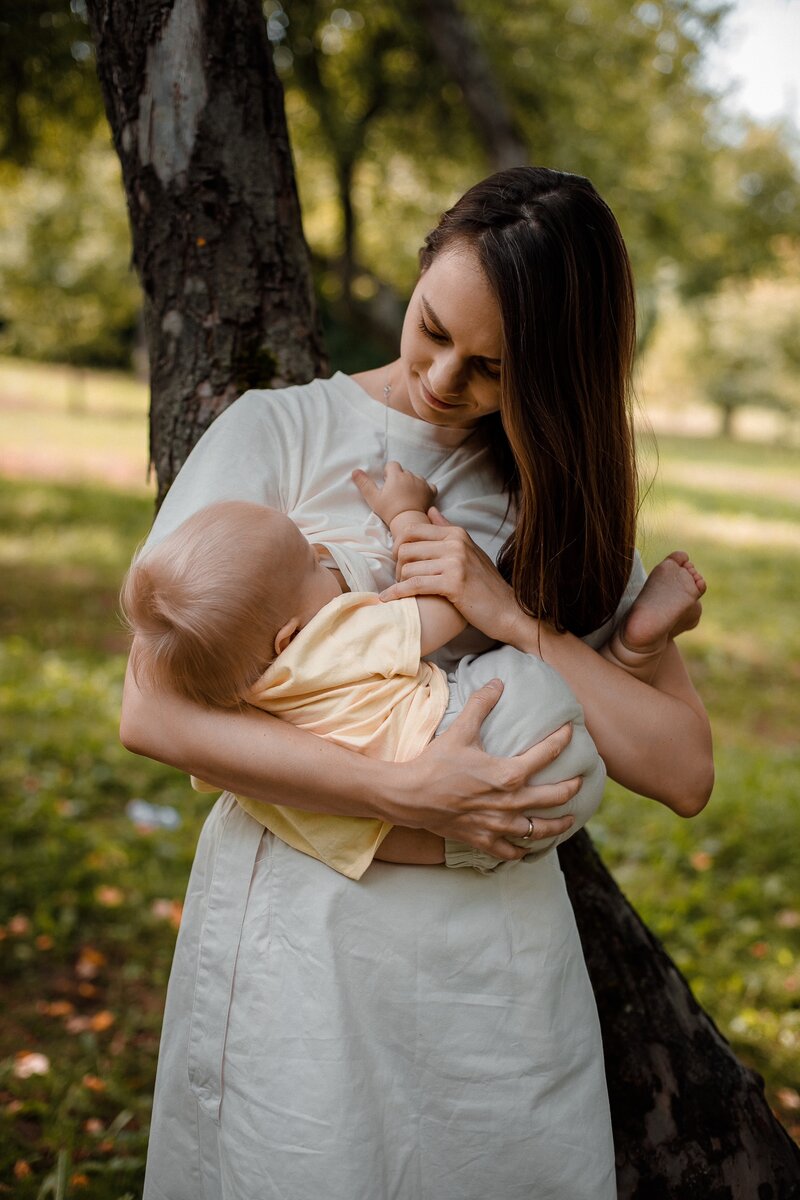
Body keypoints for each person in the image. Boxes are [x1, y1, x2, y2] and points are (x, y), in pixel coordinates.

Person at [122, 166, 714, 1200]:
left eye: (490, 369)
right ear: (419, 264)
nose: (441, 380)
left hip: (490, 976)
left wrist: (504, 616)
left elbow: (679, 770)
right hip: (304, 953)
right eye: (431, 327)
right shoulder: (280, 435)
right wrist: (396, 794)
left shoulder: (553, 499)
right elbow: (150, 710)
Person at [120, 469, 705, 881]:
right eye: (312, 561)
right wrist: (404, 518)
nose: (327, 557)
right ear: (288, 638)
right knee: (517, 667)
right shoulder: (332, 638)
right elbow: (448, 604)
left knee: (352, 829)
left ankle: (625, 661)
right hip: (497, 739)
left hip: (483, 832)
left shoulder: (244, 701)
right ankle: (626, 660)